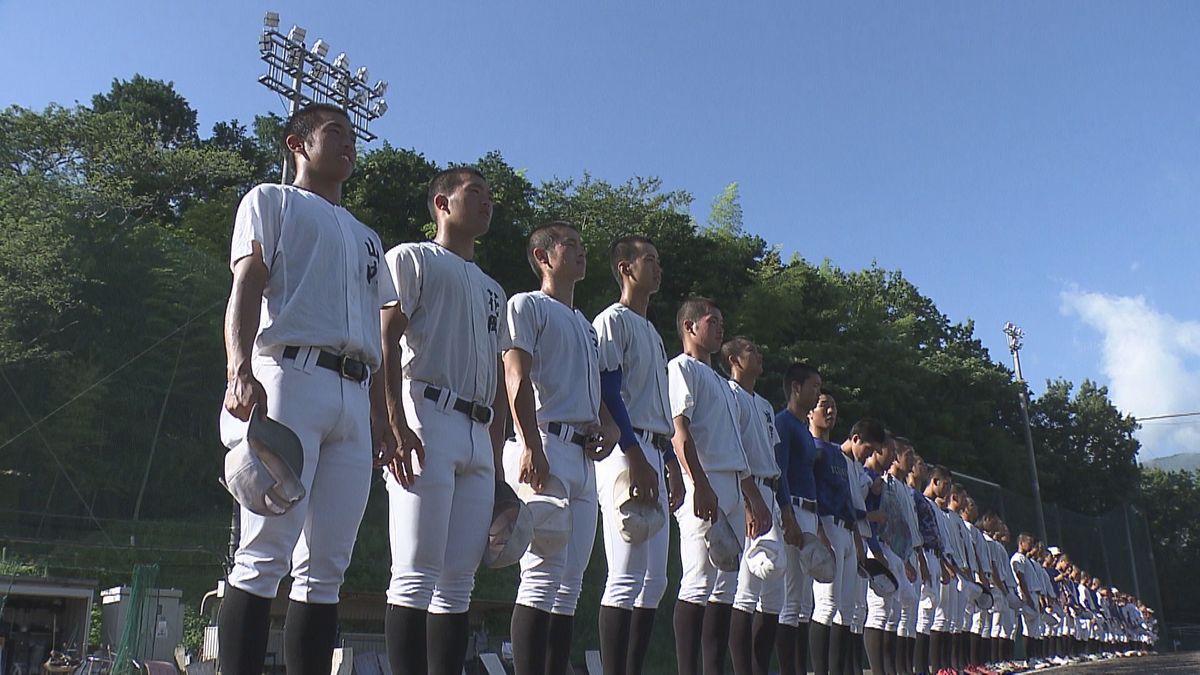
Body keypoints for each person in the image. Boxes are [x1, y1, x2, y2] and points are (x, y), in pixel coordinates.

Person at [219, 103, 399, 675]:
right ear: (297, 142)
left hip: (354, 388)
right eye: (334, 133)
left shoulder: (368, 237)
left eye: (352, 135)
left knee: (327, 569)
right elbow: (247, 284)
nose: (348, 143)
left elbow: (376, 329)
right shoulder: (270, 200)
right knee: (263, 555)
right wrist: (238, 368)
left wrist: (384, 420)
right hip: (288, 379)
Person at [379, 167, 510, 675]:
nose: (486, 203)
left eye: (489, 196)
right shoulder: (412, 258)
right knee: (414, 575)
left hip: (479, 431)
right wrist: (394, 422)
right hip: (426, 412)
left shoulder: (494, 289)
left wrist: (497, 463)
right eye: (474, 193)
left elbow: (499, 378)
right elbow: (386, 338)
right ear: (441, 203)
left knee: (458, 584)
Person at [503, 221, 615, 675]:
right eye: (570, 244)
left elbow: (602, 395)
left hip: (584, 455)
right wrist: (529, 442)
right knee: (541, 575)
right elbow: (515, 375)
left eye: (583, 246)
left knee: (570, 584)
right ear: (542, 257)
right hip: (545, 442)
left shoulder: (588, 328)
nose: (581, 252)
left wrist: (605, 426)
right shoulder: (527, 306)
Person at [592, 235, 683, 675]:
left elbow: (656, 405)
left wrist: (668, 463)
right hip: (624, 449)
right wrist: (634, 451)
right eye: (650, 258)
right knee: (625, 572)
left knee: (656, 580)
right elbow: (609, 389)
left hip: (653, 447)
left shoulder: (652, 331)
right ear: (626, 268)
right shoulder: (613, 320)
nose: (658, 266)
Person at [668, 297, 769, 675]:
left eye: (722, 320)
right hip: (705, 484)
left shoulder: (725, 386)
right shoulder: (682, 368)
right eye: (713, 321)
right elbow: (680, 433)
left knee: (725, 588)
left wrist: (751, 496)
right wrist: (699, 483)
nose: (720, 327)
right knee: (696, 582)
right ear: (690, 328)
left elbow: (734, 445)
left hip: (731, 484)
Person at [722, 337, 786, 675]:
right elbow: (732, 448)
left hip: (770, 493)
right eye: (751, 350)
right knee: (745, 591)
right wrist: (748, 500)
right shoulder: (729, 395)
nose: (759, 354)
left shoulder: (763, 404)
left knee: (773, 593)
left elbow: (774, 455)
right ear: (733, 359)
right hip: (748, 491)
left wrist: (783, 507)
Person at [773, 364, 823, 675]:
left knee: (805, 602)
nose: (817, 393)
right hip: (792, 511)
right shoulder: (784, 423)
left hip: (809, 512)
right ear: (796, 386)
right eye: (814, 386)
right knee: (790, 600)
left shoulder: (803, 428)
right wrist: (787, 512)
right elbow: (780, 470)